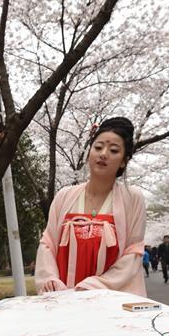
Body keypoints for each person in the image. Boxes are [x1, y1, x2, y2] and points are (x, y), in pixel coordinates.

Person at [35, 117, 146, 296]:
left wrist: (96, 286)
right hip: (64, 298)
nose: (103, 154)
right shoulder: (65, 196)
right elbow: (48, 244)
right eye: (98, 147)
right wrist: (50, 279)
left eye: (114, 150)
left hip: (109, 299)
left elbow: (133, 253)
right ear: (89, 153)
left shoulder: (133, 198)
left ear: (124, 161)